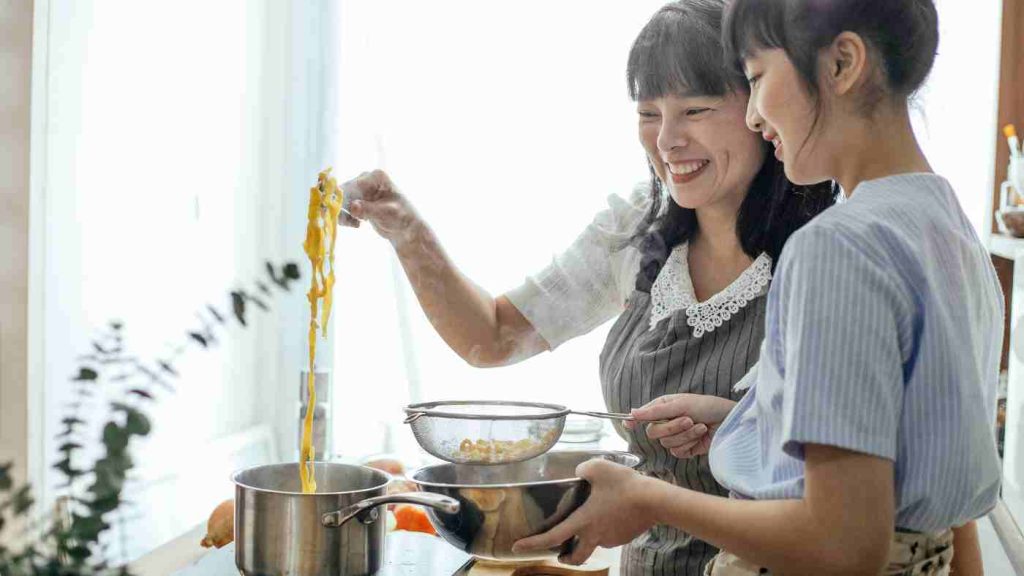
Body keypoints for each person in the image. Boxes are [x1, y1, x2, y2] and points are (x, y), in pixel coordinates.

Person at [341, 2, 833, 574]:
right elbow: (494, 336)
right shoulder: (635, 228)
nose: (667, 140)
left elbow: (857, 495)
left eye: (695, 110)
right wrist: (405, 229)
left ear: (761, 106)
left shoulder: (832, 252)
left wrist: (738, 424)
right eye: (648, 113)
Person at [513, 1, 1000, 574]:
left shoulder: (836, 247)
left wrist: (648, 499)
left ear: (842, 63)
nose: (752, 116)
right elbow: (918, 473)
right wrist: (748, 422)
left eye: (758, 77)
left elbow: (844, 546)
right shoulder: (949, 227)